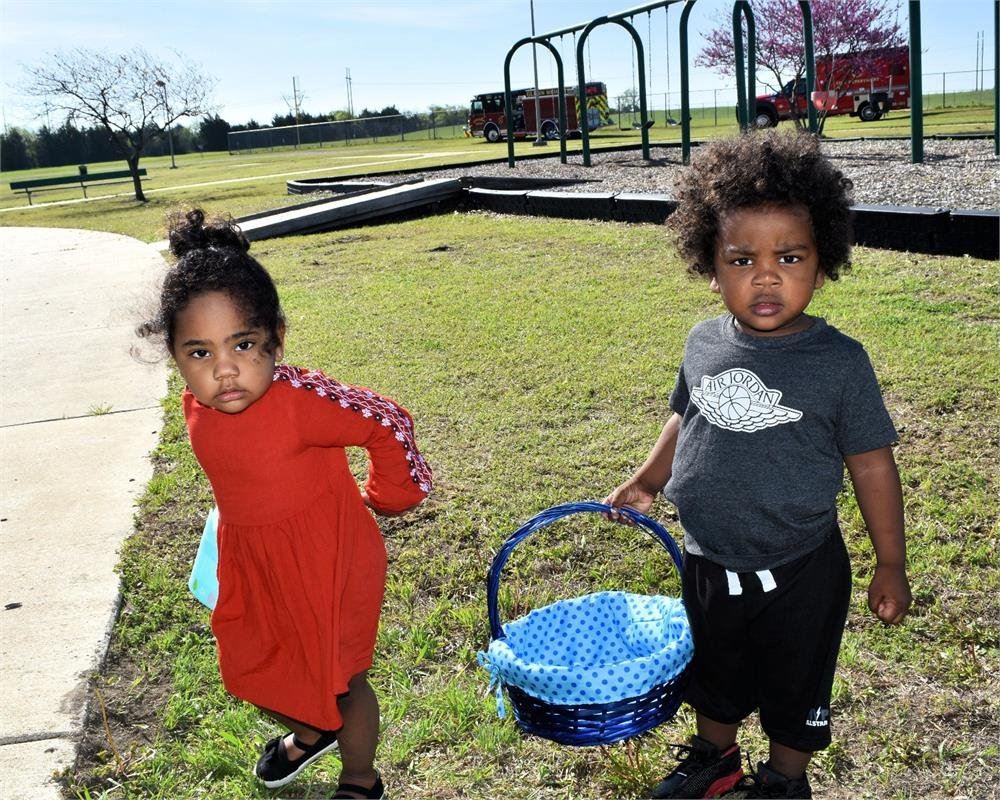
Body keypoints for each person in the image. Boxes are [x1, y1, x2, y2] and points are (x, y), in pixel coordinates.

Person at [605, 131, 911, 800]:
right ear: (710, 266)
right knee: (715, 669)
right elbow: (688, 416)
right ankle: (715, 757)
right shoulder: (704, 341)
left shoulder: (838, 363)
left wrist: (891, 561)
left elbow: (872, 466)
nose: (765, 275)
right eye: (742, 259)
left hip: (800, 566)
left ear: (822, 265)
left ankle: (783, 779)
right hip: (709, 556)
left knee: (795, 681)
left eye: (789, 257)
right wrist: (651, 477)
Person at [138, 209, 432, 799]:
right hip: (256, 562)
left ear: (275, 337)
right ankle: (311, 730)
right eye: (199, 353)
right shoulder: (197, 406)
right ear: (173, 356)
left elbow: (386, 420)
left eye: (243, 344)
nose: (224, 369)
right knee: (256, 670)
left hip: (329, 561)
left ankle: (359, 778)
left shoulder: (299, 399)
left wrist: (392, 494)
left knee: (342, 680)